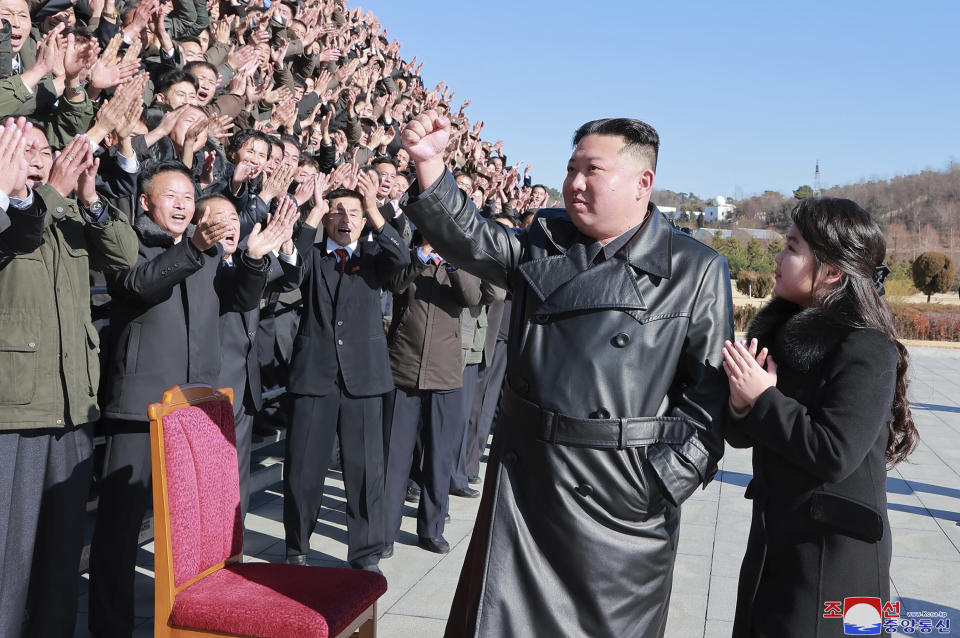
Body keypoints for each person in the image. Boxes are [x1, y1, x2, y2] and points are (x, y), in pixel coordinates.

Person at [400, 113, 732, 637]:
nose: (575, 182)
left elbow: (707, 400)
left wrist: (659, 484)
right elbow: (473, 241)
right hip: (530, 482)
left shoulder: (694, 268)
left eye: (592, 170)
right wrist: (430, 164)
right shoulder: (545, 240)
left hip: (620, 502)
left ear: (643, 182)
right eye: (571, 168)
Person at [721, 197, 918, 638]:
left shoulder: (866, 347)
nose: (777, 256)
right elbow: (746, 432)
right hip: (777, 543)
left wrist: (764, 397)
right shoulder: (786, 336)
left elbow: (834, 452)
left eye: (791, 247)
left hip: (837, 558)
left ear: (831, 271)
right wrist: (740, 403)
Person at [0, 123, 138, 638]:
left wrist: (90, 198)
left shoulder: (69, 213)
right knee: (7, 562)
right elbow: (18, 232)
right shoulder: (9, 210)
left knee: (61, 561)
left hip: (73, 404)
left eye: (45, 150)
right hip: (15, 407)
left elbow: (126, 263)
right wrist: (51, 193)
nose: (37, 159)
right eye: (24, 149)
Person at [280, 181, 409, 573]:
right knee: (302, 469)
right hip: (314, 376)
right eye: (337, 211)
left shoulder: (373, 255)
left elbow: (401, 259)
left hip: (365, 380)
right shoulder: (313, 254)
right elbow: (289, 275)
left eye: (352, 213)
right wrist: (312, 216)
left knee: (366, 470)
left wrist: (373, 209)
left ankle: (365, 552)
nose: (345, 219)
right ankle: (296, 547)